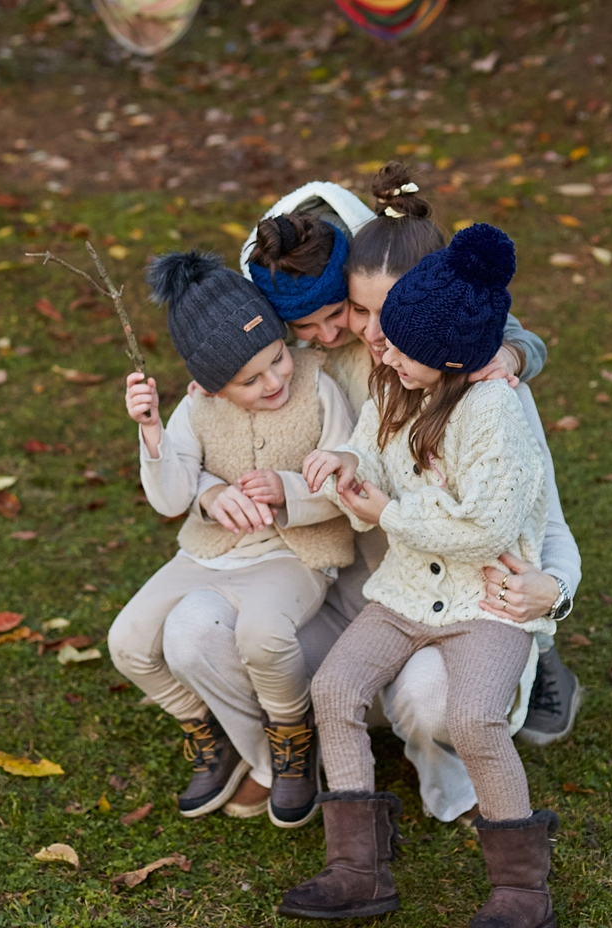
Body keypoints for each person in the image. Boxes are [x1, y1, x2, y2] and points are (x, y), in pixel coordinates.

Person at [179, 164, 581, 823]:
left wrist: (554, 596)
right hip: (359, 585)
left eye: (377, 314)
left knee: (438, 700)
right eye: (351, 310)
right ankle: (286, 757)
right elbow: (245, 396)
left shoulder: (472, 375)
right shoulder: (301, 363)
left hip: (458, 586)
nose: (362, 331)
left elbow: (536, 521)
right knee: (241, 642)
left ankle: (528, 673)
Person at [279, 224, 560, 928]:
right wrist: (350, 467)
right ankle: (356, 871)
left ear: (451, 357)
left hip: (485, 599)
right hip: (406, 593)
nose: (386, 354)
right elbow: (375, 457)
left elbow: (486, 528)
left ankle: (522, 893)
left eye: (405, 349)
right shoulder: (397, 387)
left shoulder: (495, 410)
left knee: (472, 717)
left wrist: (391, 514)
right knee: (334, 689)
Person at [107, 251, 356, 827]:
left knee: (263, 635)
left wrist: (289, 489)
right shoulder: (196, 411)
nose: (274, 380)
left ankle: (293, 741)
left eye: (276, 358)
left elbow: (352, 479)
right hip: (209, 552)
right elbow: (171, 497)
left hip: (293, 555)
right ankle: (208, 731)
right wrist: (175, 459)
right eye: (251, 379)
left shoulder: (317, 386)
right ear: (209, 385)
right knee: (129, 641)